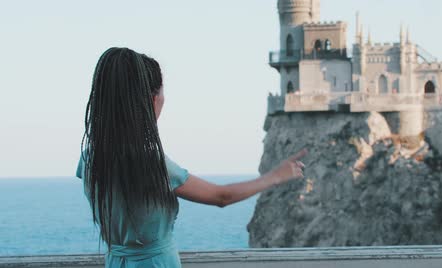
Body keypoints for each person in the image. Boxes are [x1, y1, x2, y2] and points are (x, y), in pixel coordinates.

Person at [77, 47, 306, 267]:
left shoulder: (90, 159)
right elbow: (221, 197)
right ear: (152, 99)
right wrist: (276, 175)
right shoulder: (150, 164)